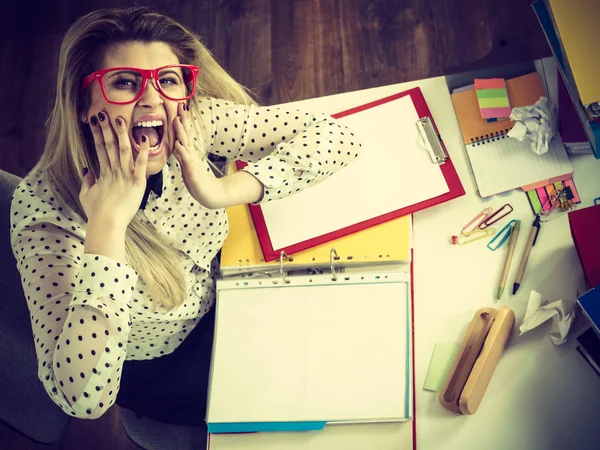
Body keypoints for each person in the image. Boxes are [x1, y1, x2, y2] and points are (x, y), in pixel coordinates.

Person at [9, 6, 361, 427]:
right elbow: (81, 397)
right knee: (314, 407)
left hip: (233, 295)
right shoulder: (44, 216)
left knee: (343, 343)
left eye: (168, 80)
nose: (154, 99)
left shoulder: (189, 121)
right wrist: (107, 224)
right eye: (125, 83)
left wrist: (224, 190)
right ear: (84, 104)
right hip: (169, 364)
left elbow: (338, 136)